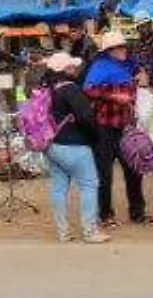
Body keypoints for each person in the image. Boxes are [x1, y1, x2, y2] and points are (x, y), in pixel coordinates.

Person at [83, 31, 153, 227]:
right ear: (109, 51)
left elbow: (140, 77)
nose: (123, 50)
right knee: (104, 174)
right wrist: (114, 95)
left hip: (125, 126)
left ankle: (137, 213)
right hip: (104, 128)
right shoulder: (100, 67)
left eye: (123, 46)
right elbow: (88, 89)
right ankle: (105, 215)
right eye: (118, 47)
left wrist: (139, 78)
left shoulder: (127, 66)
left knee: (134, 169)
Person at [41, 52, 110, 244]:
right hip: (75, 145)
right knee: (89, 185)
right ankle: (90, 230)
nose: (74, 69)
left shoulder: (48, 89)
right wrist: (96, 137)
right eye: (71, 66)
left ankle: (62, 232)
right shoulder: (70, 89)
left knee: (58, 187)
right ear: (65, 69)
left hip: (52, 145)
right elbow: (87, 117)